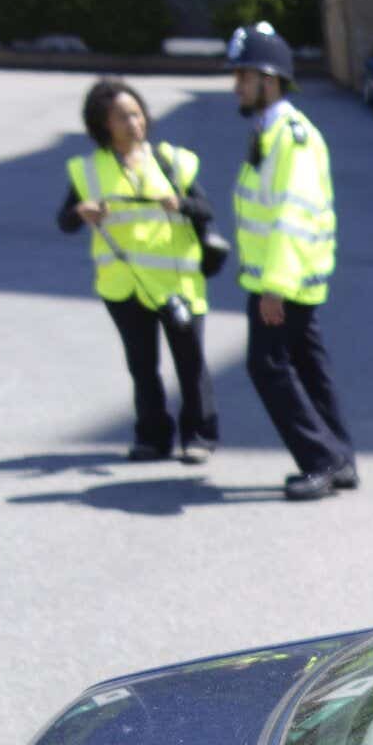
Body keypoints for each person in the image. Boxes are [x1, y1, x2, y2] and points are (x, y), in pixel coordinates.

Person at [227, 23, 357, 501]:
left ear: (269, 79)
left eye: (242, 76)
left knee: (267, 366)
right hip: (286, 277)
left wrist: (273, 285)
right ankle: (339, 458)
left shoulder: (291, 137)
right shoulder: (271, 132)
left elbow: (292, 214)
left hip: (282, 280)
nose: (235, 86)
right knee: (306, 366)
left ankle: (319, 461)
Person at [58, 79, 219, 463]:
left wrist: (179, 204)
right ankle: (152, 437)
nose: (134, 122)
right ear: (103, 125)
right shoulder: (90, 170)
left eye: (137, 113)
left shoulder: (171, 162)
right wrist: (82, 212)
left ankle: (198, 437)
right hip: (123, 286)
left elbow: (206, 210)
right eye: (122, 117)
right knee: (142, 367)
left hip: (176, 282)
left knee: (190, 363)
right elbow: (64, 221)